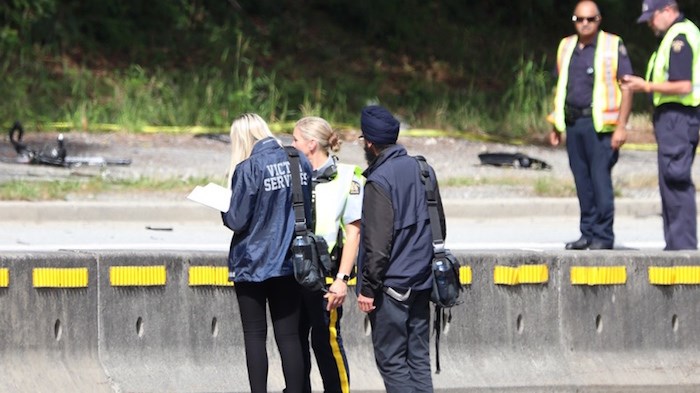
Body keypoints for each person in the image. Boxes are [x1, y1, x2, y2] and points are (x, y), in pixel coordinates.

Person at [356, 105, 445, 393]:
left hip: (391, 288)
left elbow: (377, 245)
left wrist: (368, 288)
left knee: (392, 362)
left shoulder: (378, 181)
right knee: (418, 359)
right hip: (422, 283)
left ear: (369, 143)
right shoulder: (423, 169)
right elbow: (438, 226)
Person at [221, 113, 313, 393]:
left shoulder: (249, 167)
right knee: (289, 337)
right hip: (290, 261)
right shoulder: (300, 161)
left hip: (252, 263)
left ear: (243, 139)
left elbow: (237, 220)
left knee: (255, 335)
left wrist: (223, 206)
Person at [548, 0, 633, 250]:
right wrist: (555, 124)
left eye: (590, 19)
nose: (584, 24)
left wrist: (621, 126)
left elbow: (627, 88)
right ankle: (587, 232)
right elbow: (562, 87)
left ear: (599, 20)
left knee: (599, 182)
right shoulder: (566, 46)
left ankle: (603, 236)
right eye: (579, 19)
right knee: (582, 182)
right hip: (574, 123)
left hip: (601, 127)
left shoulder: (612, 45)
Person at [292, 116, 364, 393]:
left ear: (311, 144)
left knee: (325, 341)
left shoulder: (348, 177)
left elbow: (353, 233)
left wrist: (342, 279)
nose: (292, 144)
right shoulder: (293, 174)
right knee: (295, 341)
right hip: (294, 272)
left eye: (296, 139)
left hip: (326, 275)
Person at [622, 0, 700, 250]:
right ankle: (676, 246)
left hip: (678, 116)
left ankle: (683, 250)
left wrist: (645, 86)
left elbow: (683, 85)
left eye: (651, 18)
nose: (650, 25)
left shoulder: (680, 38)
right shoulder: (676, 35)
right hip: (674, 118)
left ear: (667, 10)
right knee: (670, 179)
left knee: (675, 179)